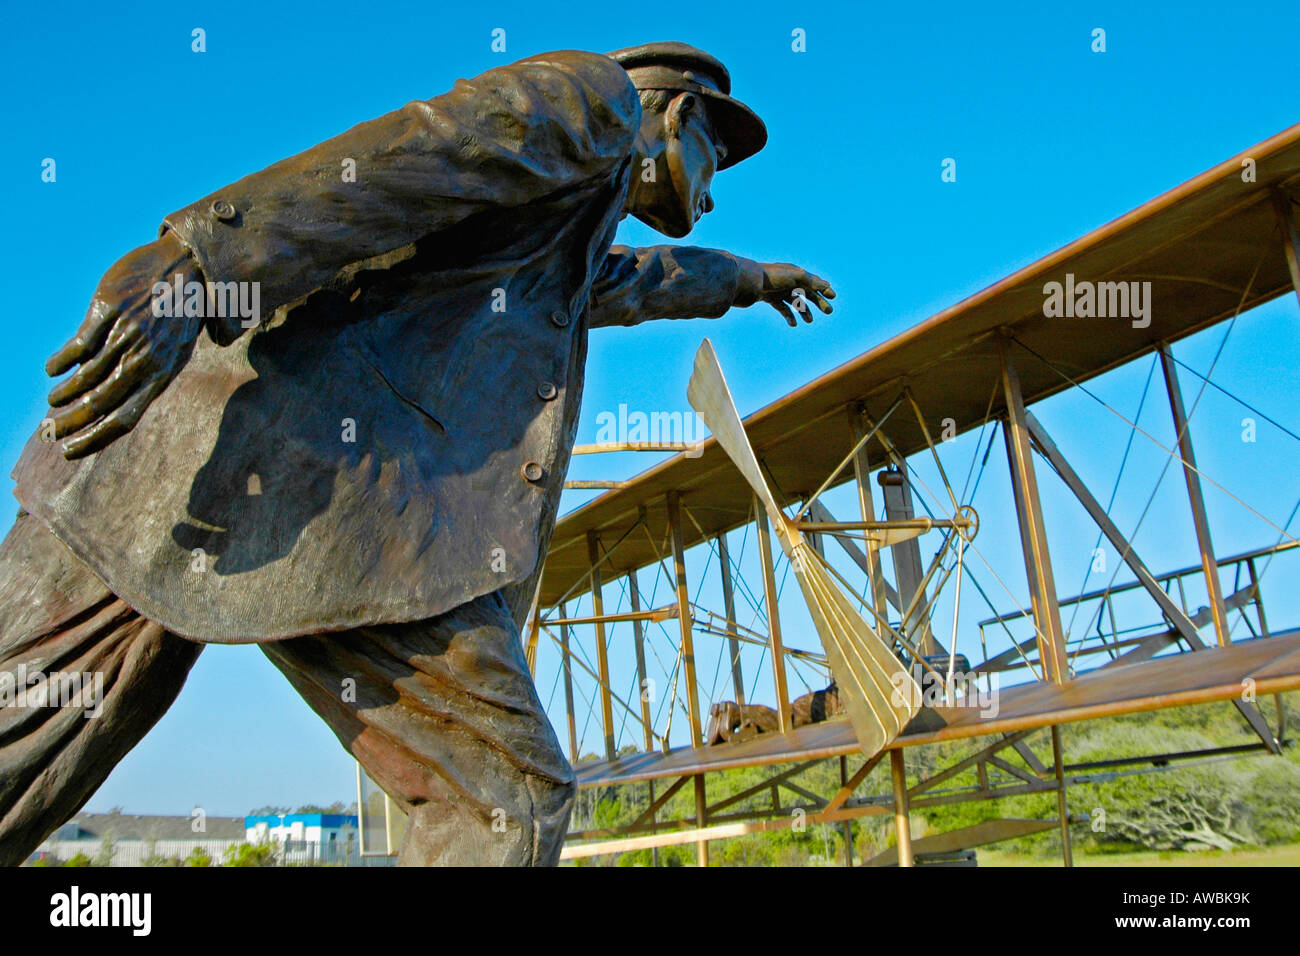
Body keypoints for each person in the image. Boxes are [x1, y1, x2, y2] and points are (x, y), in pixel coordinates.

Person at [0, 41, 834, 866]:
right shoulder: (597, 99)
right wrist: (197, 264)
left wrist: (749, 279)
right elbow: (415, 153)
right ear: (679, 112)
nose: (715, 192)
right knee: (503, 799)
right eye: (715, 158)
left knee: (33, 734)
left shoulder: (564, 230)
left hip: (172, 458)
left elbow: (631, 282)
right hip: (325, 480)